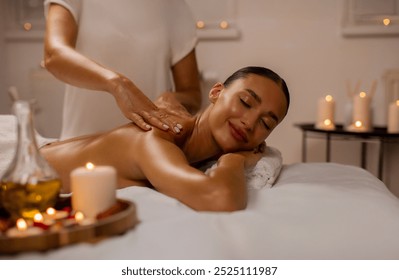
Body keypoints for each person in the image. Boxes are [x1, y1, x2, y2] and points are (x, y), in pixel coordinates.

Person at [41, 66, 290, 212]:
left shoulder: (180, 128)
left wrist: (168, 98)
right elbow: (220, 198)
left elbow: (168, 97)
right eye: (245, 102)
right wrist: (234, 160)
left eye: (265, 123)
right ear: (215, 92)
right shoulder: (154, 139)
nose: (249, 122)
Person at [44, 0, 201, 139]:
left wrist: (171, 99)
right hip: (81, 150)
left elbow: (192, 95)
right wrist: (118, 84)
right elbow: (54, 55)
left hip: (148, 151)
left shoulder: (175, 6)